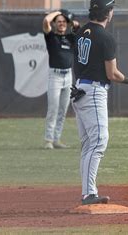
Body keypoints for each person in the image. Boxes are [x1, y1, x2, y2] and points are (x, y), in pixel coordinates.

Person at [71, 0, 128, 205]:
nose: (113, 12)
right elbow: (112, 74)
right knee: (99, 141)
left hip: (80, 88)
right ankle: (89, 193)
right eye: (112, 9)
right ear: (107, 13)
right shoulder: (106, 37)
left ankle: (87, 192)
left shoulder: (82, 31)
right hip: (93, 91)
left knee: (88, 145)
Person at [42, 9, 79, 150]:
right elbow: (46, 21)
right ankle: (48, 140)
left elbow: (77, 27)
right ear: (55, 24)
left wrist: (71, 21)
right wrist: (57, 12)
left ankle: (56, 139)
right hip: (55, 76)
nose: (62, 24)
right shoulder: (51, 37)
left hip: (68, 76)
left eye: (64, 22)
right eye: (59, 22)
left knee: (63, 110)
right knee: (53, 109)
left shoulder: (70, 38)